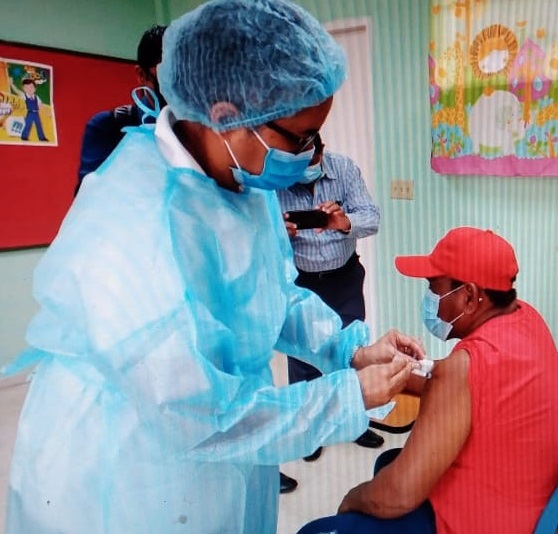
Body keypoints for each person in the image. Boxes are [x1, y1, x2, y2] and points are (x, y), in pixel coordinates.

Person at [2, 2, 424, 533]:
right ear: (226, 116)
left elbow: (273, 293)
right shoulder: (136, 227)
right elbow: (200, 417)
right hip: (134, 463)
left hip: (229, 443)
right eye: (300, 138)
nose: (311, 155)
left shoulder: (241, 178)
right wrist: (346, 396)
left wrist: (350, 348)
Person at [298, 227, 558, 534]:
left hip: (488, 520)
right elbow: (477, 391)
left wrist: (351, 498)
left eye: (434, 286)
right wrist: (406, 376)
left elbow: (399, 495)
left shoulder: (465, 366)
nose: (430, 298)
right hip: (535, 502)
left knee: (320, 528)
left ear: (469, 297)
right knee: (390, 463)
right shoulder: (527, 318)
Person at [277, 134, 385, 462]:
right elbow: (253, 236)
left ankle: (355, 421)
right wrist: (276, 233)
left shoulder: (344, 169)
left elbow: (372, 218)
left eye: (310, 161)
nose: (304, 170)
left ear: (321, 151)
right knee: (304, 359)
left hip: (345, 278)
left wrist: (343, 222)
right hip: (301, 282)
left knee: (354, 351)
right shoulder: (274, 179)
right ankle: (310, 430)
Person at [74, 24, 167, 196]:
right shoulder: (109, 128)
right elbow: (88, 204)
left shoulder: (203, 129)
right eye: (168, 74)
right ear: (142, 75)